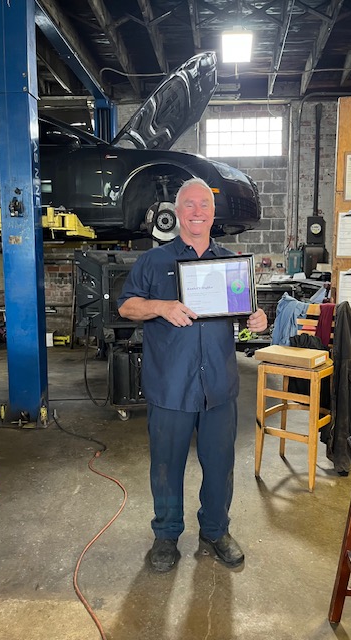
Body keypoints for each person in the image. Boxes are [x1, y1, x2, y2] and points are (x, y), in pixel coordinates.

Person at [117, 177, 267, 572]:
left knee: (219, 464)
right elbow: (126, 307)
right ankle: (166, 535)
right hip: (170, 385)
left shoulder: (231, 263)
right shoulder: (153, 262)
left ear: (213, 213)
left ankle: (215, 531)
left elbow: (246, 316)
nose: (197, 211)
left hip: (218, 386)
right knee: (166, 465)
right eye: (189, 205)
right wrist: (162, 307)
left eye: (204, 204)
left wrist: (257, 317)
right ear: (178, 212)